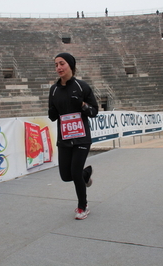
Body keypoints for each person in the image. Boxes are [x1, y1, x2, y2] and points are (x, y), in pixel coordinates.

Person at [48, 53, 98, 220]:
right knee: (66, 175)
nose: (58, 68)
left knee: (75, 171)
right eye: (56, 65)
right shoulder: (54, 90)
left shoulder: (82, 86)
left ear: (70, 65)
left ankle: (82, 206)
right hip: (64, 138)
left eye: (62, 64)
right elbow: (53, 115)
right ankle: (85, 175)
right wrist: (52, 112)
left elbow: (94, 112)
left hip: (82, 137)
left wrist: (83, 105)